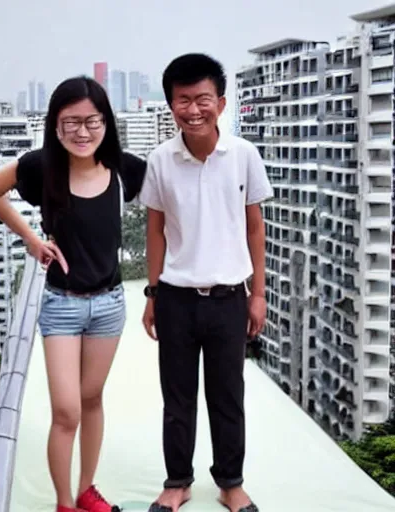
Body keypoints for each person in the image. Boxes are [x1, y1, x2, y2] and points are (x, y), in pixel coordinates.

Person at [0, 76, 146, 512]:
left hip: (109, 305)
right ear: (55, 125)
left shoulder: (123, 168)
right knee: (67, 410)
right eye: (71, 122)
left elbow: (170, 196)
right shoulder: (40, 167)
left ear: (106, 123)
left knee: (92, 400)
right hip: (62, 306)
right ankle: (64, 502)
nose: (83, 132)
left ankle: (88, 489)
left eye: (92, 121)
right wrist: (32, 241)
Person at [139, 53, 273, 512]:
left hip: (229, 298)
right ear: (170, 104)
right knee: (177, 399)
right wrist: (153, 293)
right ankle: (177, 482)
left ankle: (230, 483)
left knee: (227, 396)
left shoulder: (243, 156)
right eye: (182, 100)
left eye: (202, 99)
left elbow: (255, 227)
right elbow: (154, 230)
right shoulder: (160, 159)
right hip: (175, 297)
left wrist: (258, 294)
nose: (193, 110)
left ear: (220, 101)